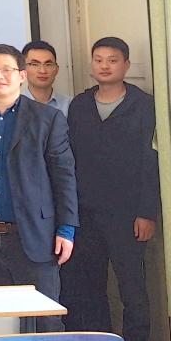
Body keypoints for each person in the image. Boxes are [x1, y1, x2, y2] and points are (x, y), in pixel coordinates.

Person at [0, 44, 78, 333]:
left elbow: (64, 176)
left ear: (21, 75)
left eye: (6, 70)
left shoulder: (47, 118)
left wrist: (67, 228)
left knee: (45, 320)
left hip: (34, 235)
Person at [62, 37, 158, 341]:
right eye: (99, 60)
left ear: (126, 65)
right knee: (89, 287)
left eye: (113, 60)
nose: (104, 66)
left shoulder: (143, 105)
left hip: (127, 215)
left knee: (132, 287)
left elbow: (150, 162)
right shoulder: (80, 105)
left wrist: (147, 213)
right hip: (85, 213)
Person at [21, 40, 71, 116]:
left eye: (48, 64)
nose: (43, 71)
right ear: (23, 69)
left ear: (56, 70)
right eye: (35, 64)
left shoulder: (69, 105)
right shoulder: (12, 105)